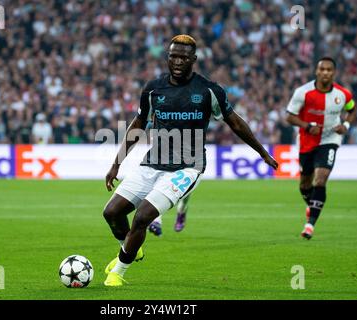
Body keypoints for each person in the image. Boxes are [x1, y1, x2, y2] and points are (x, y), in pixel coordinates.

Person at [102, 35, 278, 286]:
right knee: (111, 212)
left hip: (187, 167)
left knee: (142, 217)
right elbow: (139, 124)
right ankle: (130, 248)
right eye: (173, 55)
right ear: (167, 57)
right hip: (152, 163)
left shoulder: (208, 90)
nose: (178, 61)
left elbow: (235, 122)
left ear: (193, 60)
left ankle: (118, 272)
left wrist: (261, 151)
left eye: (184, 57)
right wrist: (116, 163)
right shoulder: (153, 88)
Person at [286, 57, 356, 240]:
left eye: (329, 70)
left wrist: (346, 126)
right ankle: (312, 204)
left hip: (330, 139)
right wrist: (307, 126)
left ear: (334, 73)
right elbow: (289, 116)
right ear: (316, 71)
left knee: (321, 178)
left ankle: (310, 225)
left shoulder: (343, 95)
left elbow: (352, 110)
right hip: (307, 141)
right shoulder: (303, 92)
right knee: (305, 184)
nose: (325, 73)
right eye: (322, 69)